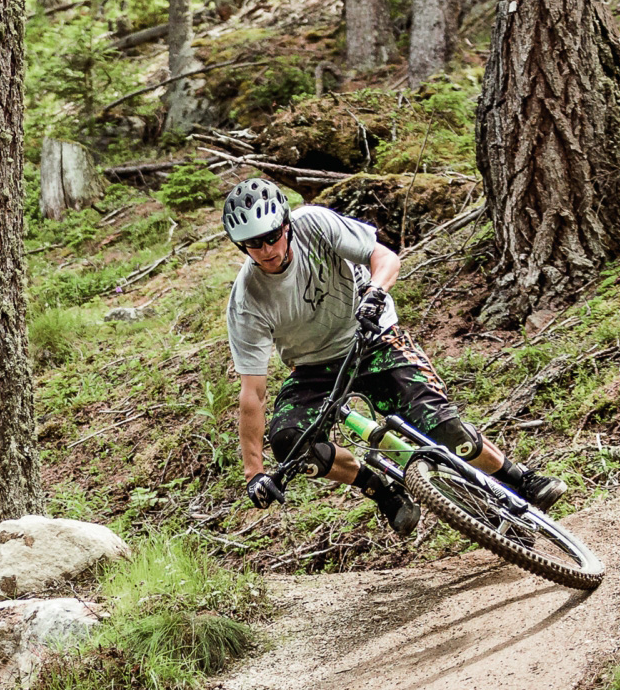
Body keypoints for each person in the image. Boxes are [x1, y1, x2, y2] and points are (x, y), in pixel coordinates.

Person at [220, 177, 566, 535]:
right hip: (313, 368)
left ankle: (520, 479)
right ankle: (382, 490)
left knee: (443, 427)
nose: (266, 250)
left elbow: (382, 257)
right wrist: (255, 473)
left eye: (272, 236)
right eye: (252, 244)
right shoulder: (247, 300)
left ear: (286, 225)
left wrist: (375, 292)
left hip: (375, 337)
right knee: (290, 442)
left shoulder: (315, 225)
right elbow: (253, 394)